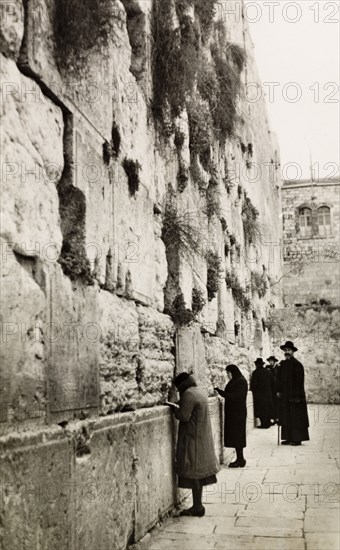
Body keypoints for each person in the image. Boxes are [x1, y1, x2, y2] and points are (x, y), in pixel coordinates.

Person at [168, 372, 220, 517]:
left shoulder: (189, 394)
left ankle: (197, 507)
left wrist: (174, 409)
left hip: (193, 438)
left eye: (178, 388)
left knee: (194, 472)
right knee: (198, 472)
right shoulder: (199, 391)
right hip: (201, 437)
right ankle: (198, 505)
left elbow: (184, 416)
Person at [277, 341, 310, 446]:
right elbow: (279, 380)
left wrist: (295, 396)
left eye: (289, 350)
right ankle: (288, 438)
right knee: (286, 416)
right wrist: (279, 391)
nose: (287, 352)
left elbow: (299, 383)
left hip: (296, 397)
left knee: (296, 417)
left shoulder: (297, 365)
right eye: (285, 350)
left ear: (293, 352)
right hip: (285, 396)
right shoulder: (283, 365)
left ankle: (297, 439)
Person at [214, 364, 248, 468]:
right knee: (236, 435)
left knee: (238, 436)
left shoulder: (241, 381)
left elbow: (237, 397)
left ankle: (240, 459)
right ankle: (240, 459)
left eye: (229, 373)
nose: (228, 375)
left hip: (238, 413)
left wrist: (222, 393)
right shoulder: (236, 381)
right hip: (234, 412)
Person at [250, 358, 274, 429]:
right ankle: (268, 422)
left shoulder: (255, 372)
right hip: (268, 394)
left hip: (259, 395)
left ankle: (264, 424)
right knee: (267, 408)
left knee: (261, 410)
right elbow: (273, 383)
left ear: (256, 365)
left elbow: (253, 385)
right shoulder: (268, 372)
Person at [266, 356, 280, 424]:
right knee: (272, 403)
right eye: (270, 361)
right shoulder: (268, 368)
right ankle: (273, 418)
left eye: (272, 361)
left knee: (277, 403)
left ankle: (277, 418)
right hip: (270, 388)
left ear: (274, 361)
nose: (270, 362)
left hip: (276, 389)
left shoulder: (278, 367)